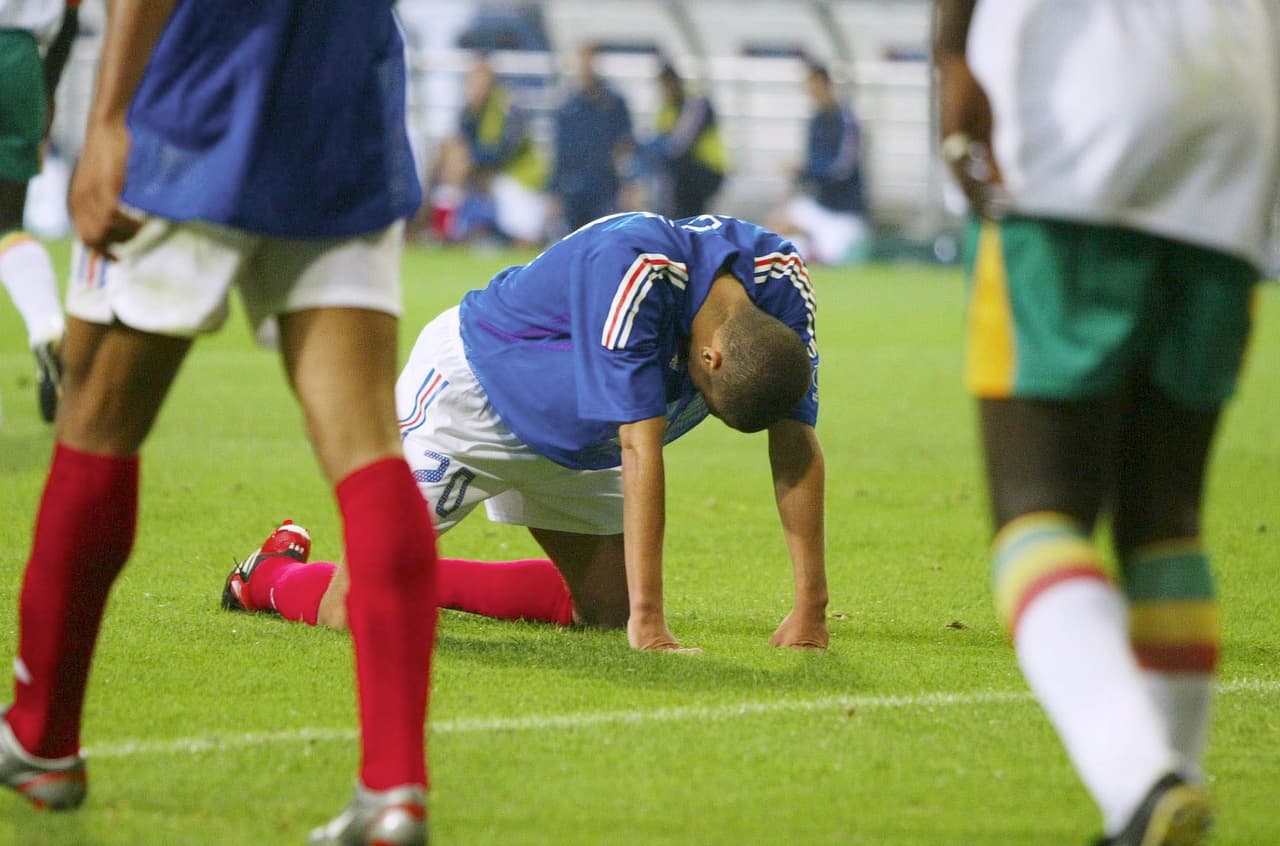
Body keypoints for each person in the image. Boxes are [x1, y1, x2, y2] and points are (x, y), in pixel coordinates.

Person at [0, 3, 439, 845]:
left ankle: (42, 738)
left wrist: (110, 118)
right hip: (347, 92)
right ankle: (393, 789)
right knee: (366, 446)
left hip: (199, 88)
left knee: (95, 416)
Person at [934, 1, 1280, 844]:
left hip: (1077, 124)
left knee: (1038, 513)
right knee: (1166, 516)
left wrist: (950, 56)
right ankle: (1165, 796)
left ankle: (1142, 783)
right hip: (1234, 116)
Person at [222, 211, 829, 653]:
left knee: (603, 611)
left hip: (577, 440)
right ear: (711, 359)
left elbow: (795, 444)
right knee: (352, 614)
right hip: (471, 403)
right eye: (705, 399)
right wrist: (650, 624)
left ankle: (417, 577)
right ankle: (267, 576)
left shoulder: (780, 282)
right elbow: (640, 449)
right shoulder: (636, 270)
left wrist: (811, 609)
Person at [0, 0, 79, 422]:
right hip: (20, 59)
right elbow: (72, 12)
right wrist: (45, 90)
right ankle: (45, 320)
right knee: (7, 226)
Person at [423, 56, 548, 248]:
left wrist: (469, 159)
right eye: (472, 82)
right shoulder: (468, 111)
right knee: (449, 158)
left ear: (491, 83)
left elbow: (505, 152)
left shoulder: (507, 107)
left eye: (480, 81)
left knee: (524, 236)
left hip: (516, 175)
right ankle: (442, 231)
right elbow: (461, 142)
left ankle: (445, 230)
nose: (475, 87)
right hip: (484, 174)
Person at [767, 59, 869, 266]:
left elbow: (842, 168)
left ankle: (815, 248)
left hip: (843, 212)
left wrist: (804, 169)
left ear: (824, 83)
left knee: (832, 259)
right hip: (818, 205)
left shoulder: (846, 120)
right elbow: (808, 169)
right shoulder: (815, 121)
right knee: (778, 228)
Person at [548, 45, 636, 234]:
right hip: (573, 186)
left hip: (605, 185)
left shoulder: (613, 103)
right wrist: (554, 191)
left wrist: (627, 183)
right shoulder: (567, 105)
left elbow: (625, 146)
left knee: (604, 239)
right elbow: (560, 152)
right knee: (574, 241)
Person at [640, 61, 728, 219]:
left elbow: (677, 145)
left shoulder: (696, 105)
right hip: (687, 173)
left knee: (684, 209)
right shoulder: (667, 109)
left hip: (707, 169)